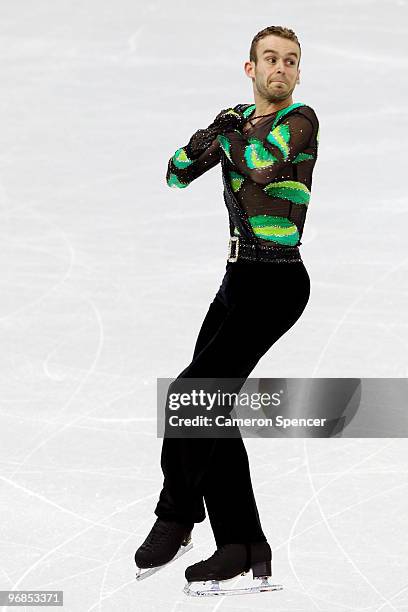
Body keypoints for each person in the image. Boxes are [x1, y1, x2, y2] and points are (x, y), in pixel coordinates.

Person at [135, 25, 320, 596]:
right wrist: (212, 134)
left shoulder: (300, 120)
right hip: (238, 279)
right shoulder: (238, 120)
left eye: (290, 61)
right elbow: (176, 171)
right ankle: (244, 548)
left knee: (191, 396)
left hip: (278, 281)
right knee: (210, 408)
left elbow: (264, 164)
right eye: (270, 59)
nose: (281, 69)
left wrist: (228, 134)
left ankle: (178, 513)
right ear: (250, 68)